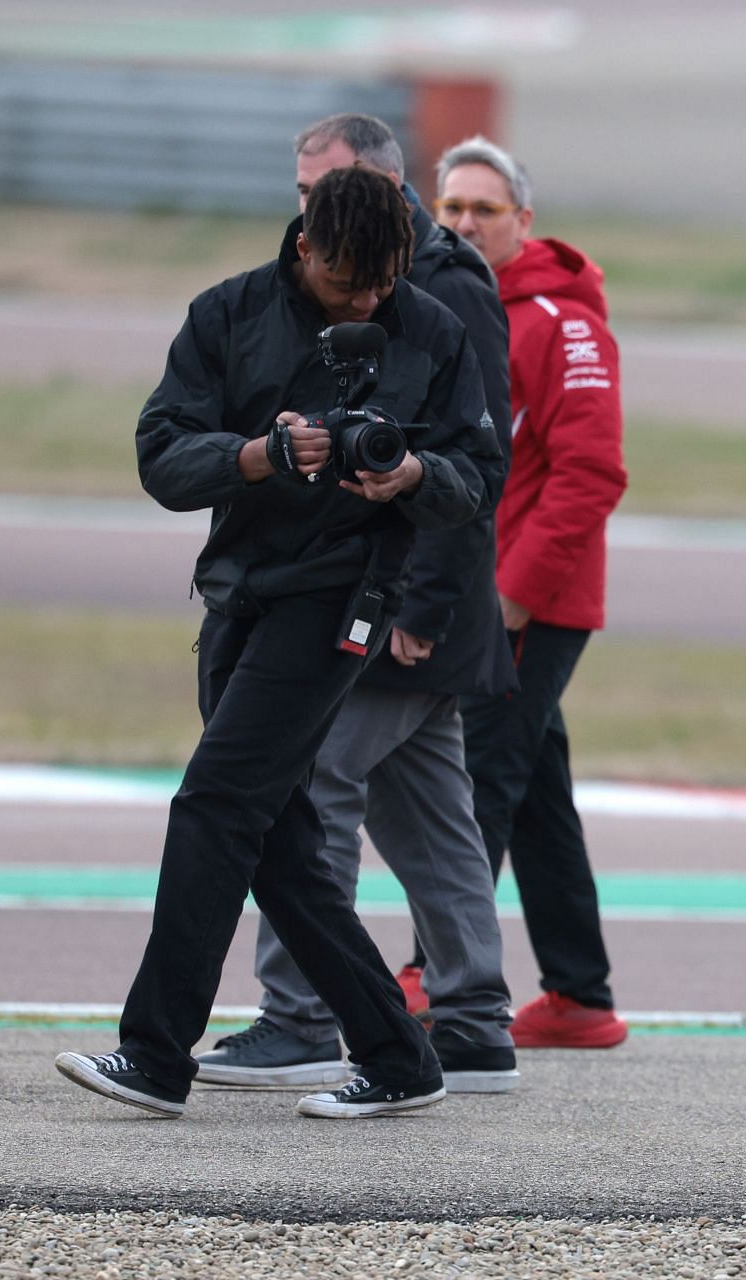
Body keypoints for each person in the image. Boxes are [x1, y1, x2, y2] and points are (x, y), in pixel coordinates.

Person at [54, 165, 505, 1119]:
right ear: (303, 246)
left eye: (385, 282)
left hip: (344, 599)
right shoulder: (227, 313)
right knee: (281, 841)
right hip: (238, 595)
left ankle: (155, 1055)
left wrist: (413, 475)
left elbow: (478, 474)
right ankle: (398, 1056)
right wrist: (257, 455)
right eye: (350, 282)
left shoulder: (432, 327)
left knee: (214, 805)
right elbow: (161, 453)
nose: (369, 299)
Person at [194, 113, 522, 1095]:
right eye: (298, 192)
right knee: (428, 809)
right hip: (377, 594)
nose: (303, 214)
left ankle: (299, 1013)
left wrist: (420, 604)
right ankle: (472, 1023)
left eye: (321, 190)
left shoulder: (443, 284)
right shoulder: (323, 269)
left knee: (308, 785)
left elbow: (473, 458)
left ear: (380, 185)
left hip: (400, 601)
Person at [433, 136, 631, 1049]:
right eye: (452, 210)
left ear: (524, 219)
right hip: (471, 590)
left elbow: (591, 475)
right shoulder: (441, 303)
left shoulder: (564, 321)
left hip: (529, 601)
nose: (466, 223)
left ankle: (435, 975)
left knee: (477, 780)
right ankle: (580, 997)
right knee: (536, 788)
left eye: (484, 209)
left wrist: (514, 595)